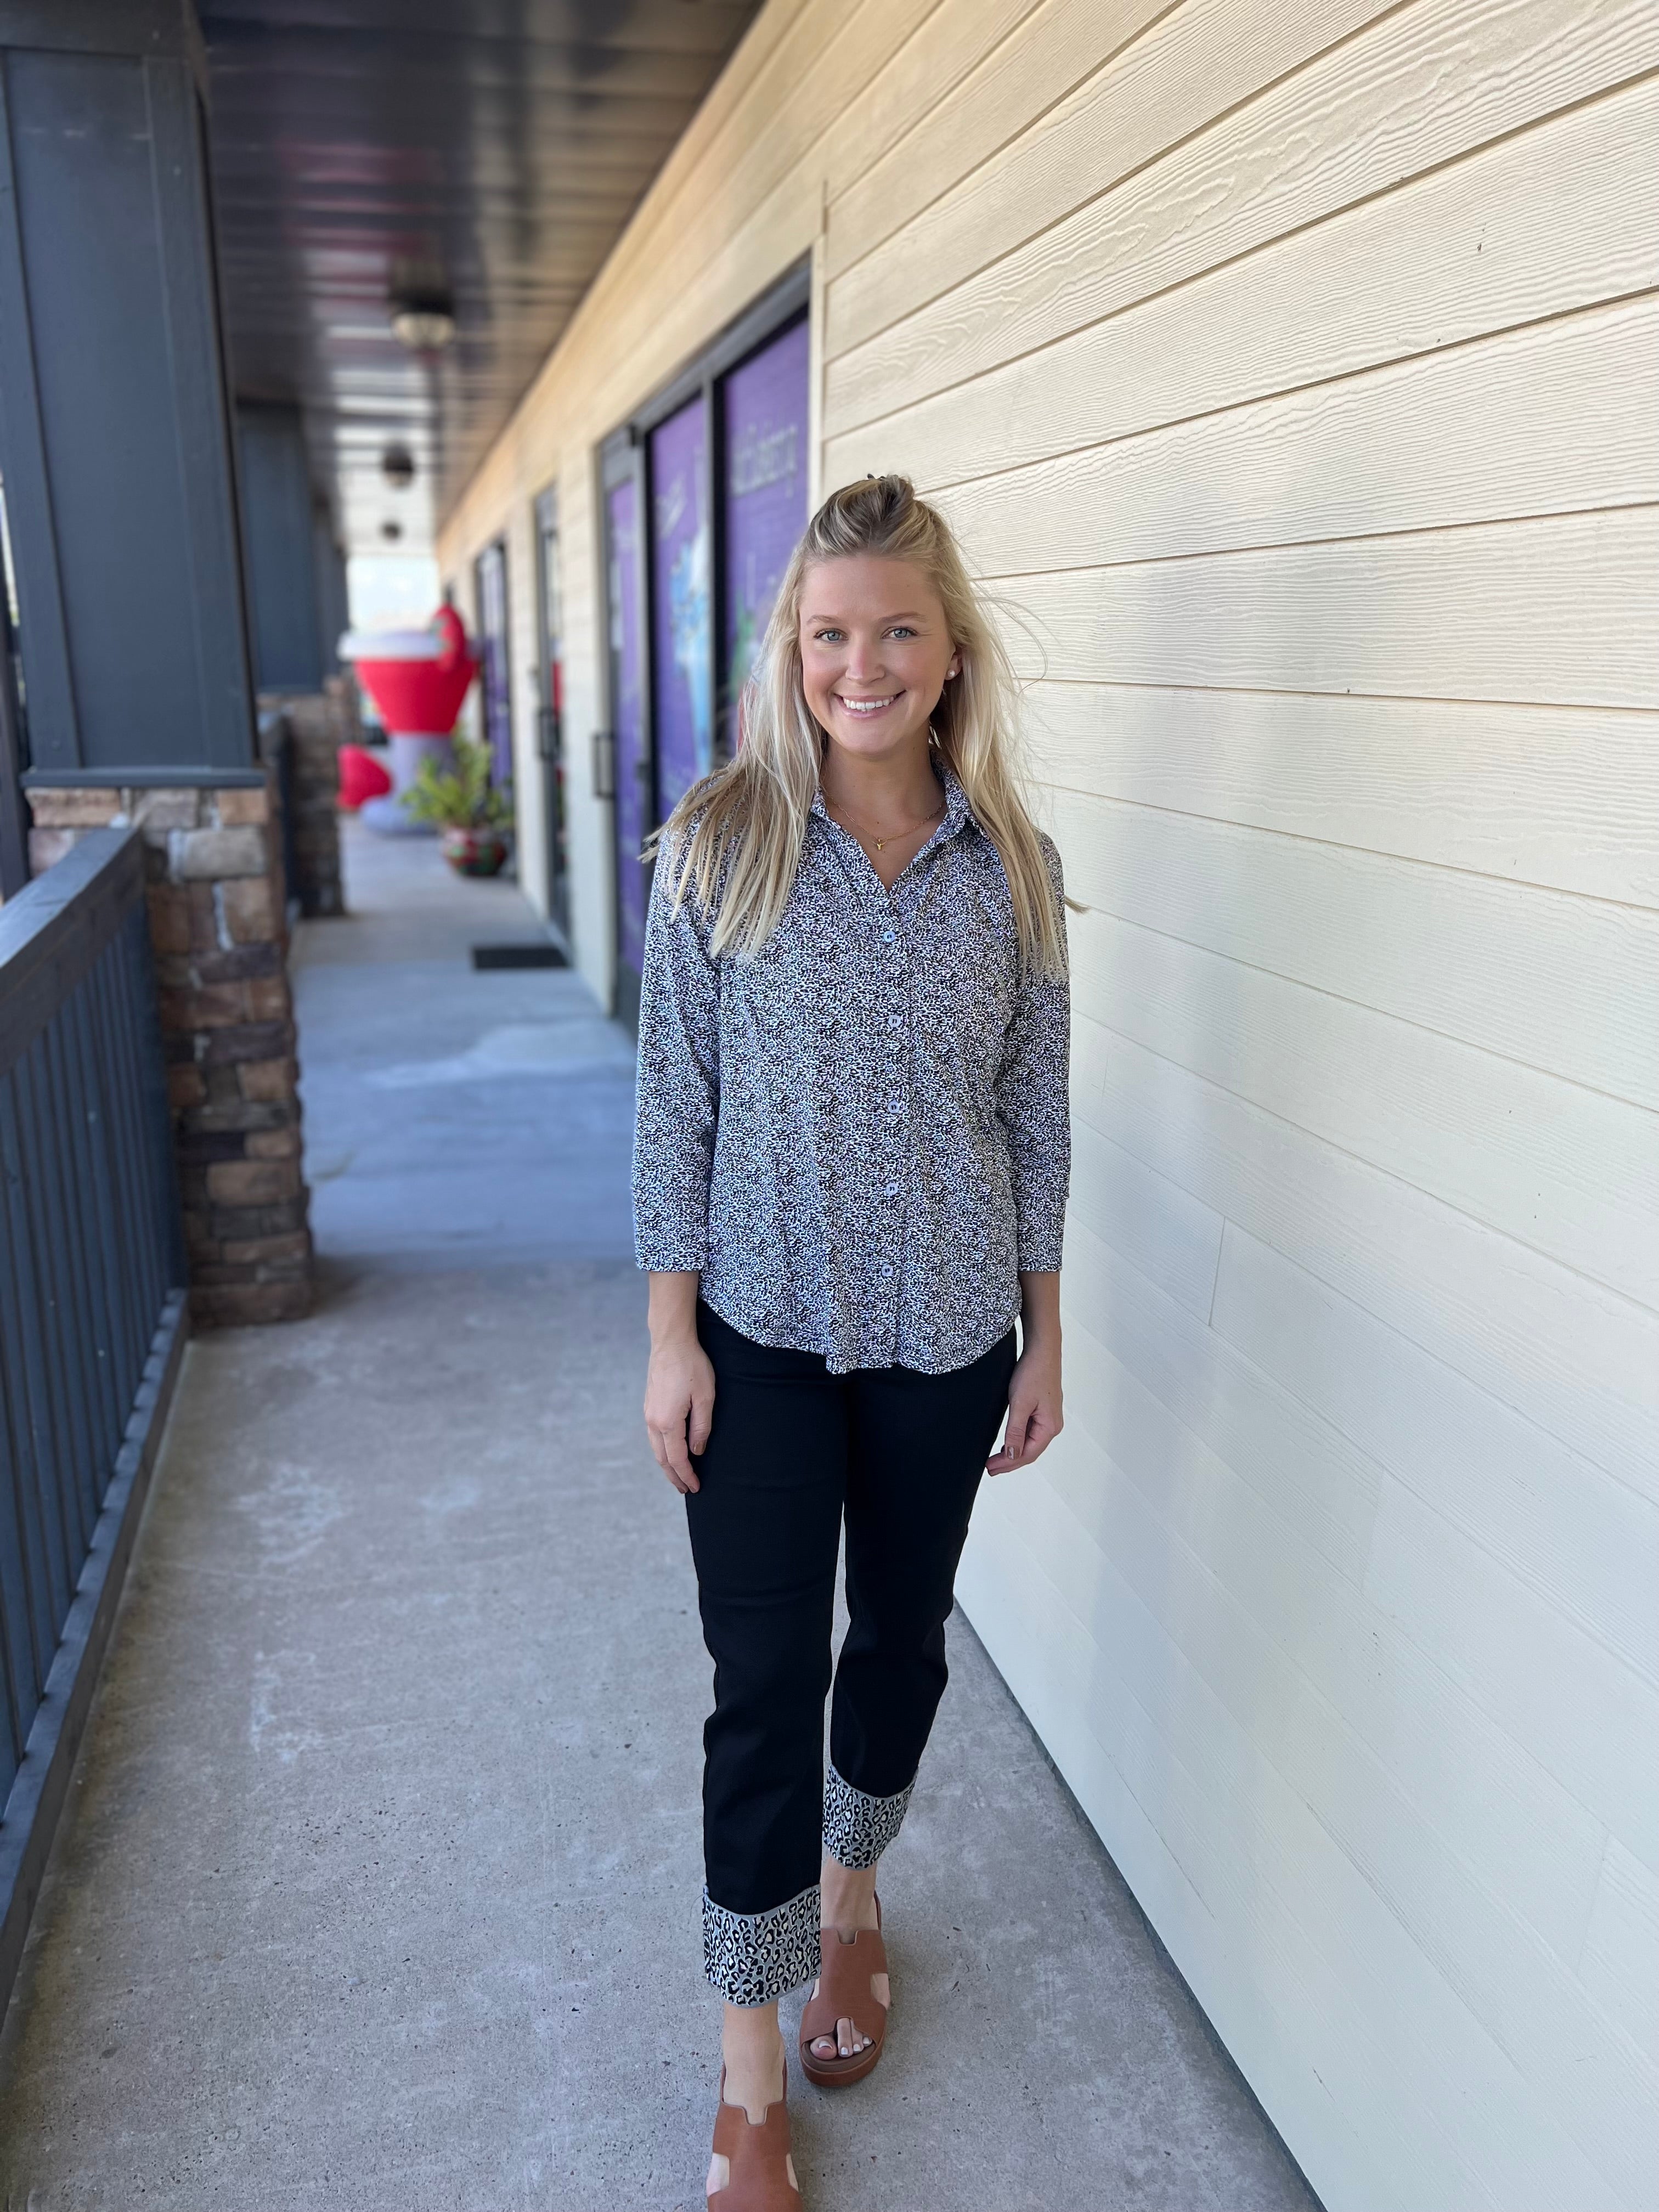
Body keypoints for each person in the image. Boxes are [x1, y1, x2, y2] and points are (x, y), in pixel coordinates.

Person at [632, 474, 1070, 2209]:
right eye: (830, 633)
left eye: (897, 630)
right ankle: (748, 2070)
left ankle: (855, 1894)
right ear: (790, 651)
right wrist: (669, 1341)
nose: (862, 665)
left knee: (897, 1642)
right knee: (760, 1688)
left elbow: (1037, 1119)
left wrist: (1045, 1337)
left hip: (949, 1337)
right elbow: (673, 1115)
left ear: (952, 652)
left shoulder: (1013, 871)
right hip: (756, 1339)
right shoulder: (718, 845)